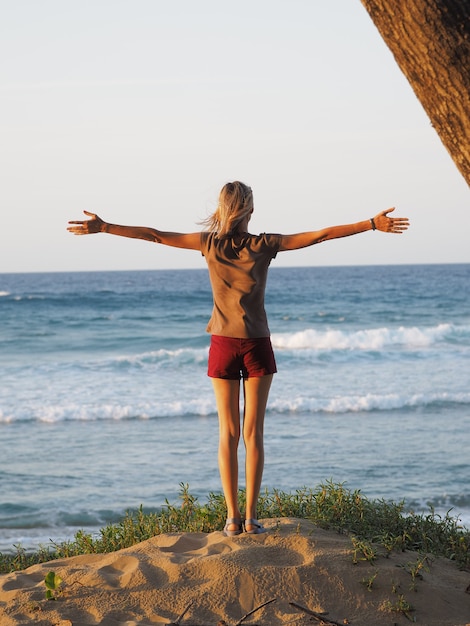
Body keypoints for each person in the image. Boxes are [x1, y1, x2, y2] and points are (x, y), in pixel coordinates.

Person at [68, 181, 409, 535]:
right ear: (248, 209)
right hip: (257, 343)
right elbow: (319, 236)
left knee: (227, 433)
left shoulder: (208, 244)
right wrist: (369, 224)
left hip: (222, 345)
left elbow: (154, 235)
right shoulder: (264, 245)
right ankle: (250, 518)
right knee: (253, 434)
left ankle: (231, 520)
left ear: (223, 208)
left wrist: (105, 227)